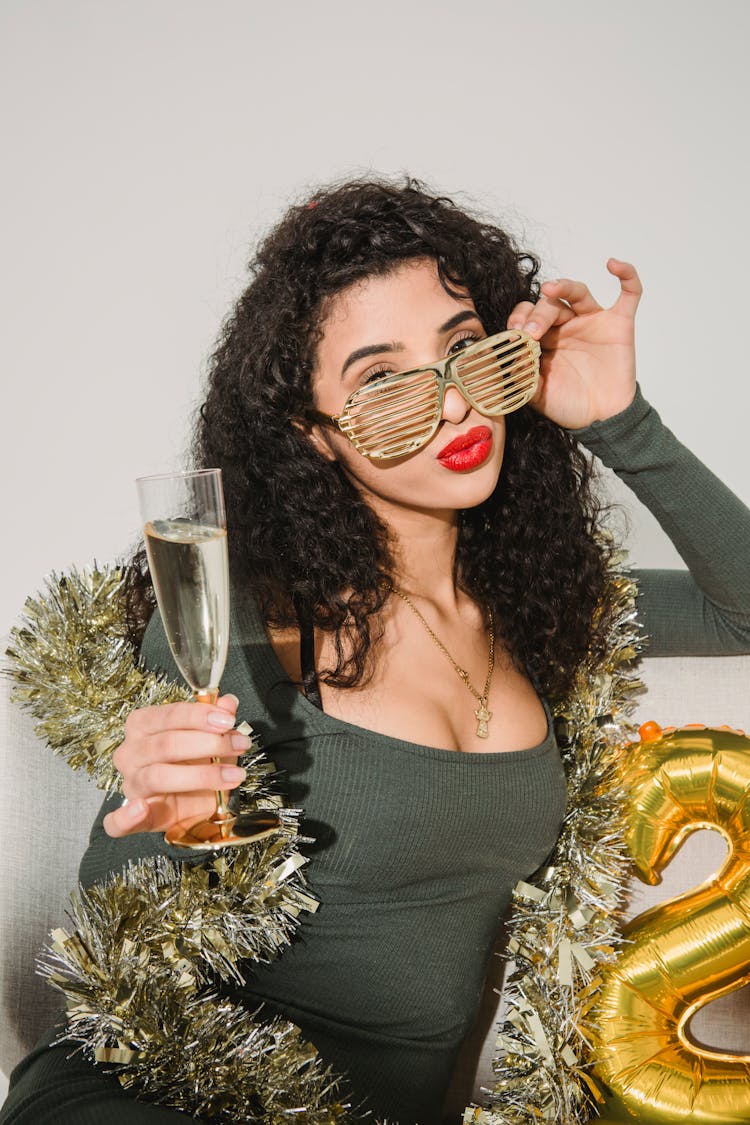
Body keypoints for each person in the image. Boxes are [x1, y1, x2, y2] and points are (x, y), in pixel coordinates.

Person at [3, 178, 750, 1125]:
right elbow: (123, 960)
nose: (451, 406)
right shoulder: (243, 623)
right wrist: (157, 822)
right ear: (313, 435)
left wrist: (621, 421)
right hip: (162, 1095)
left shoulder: (552, 611)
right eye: (383, 382)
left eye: (467, 352)